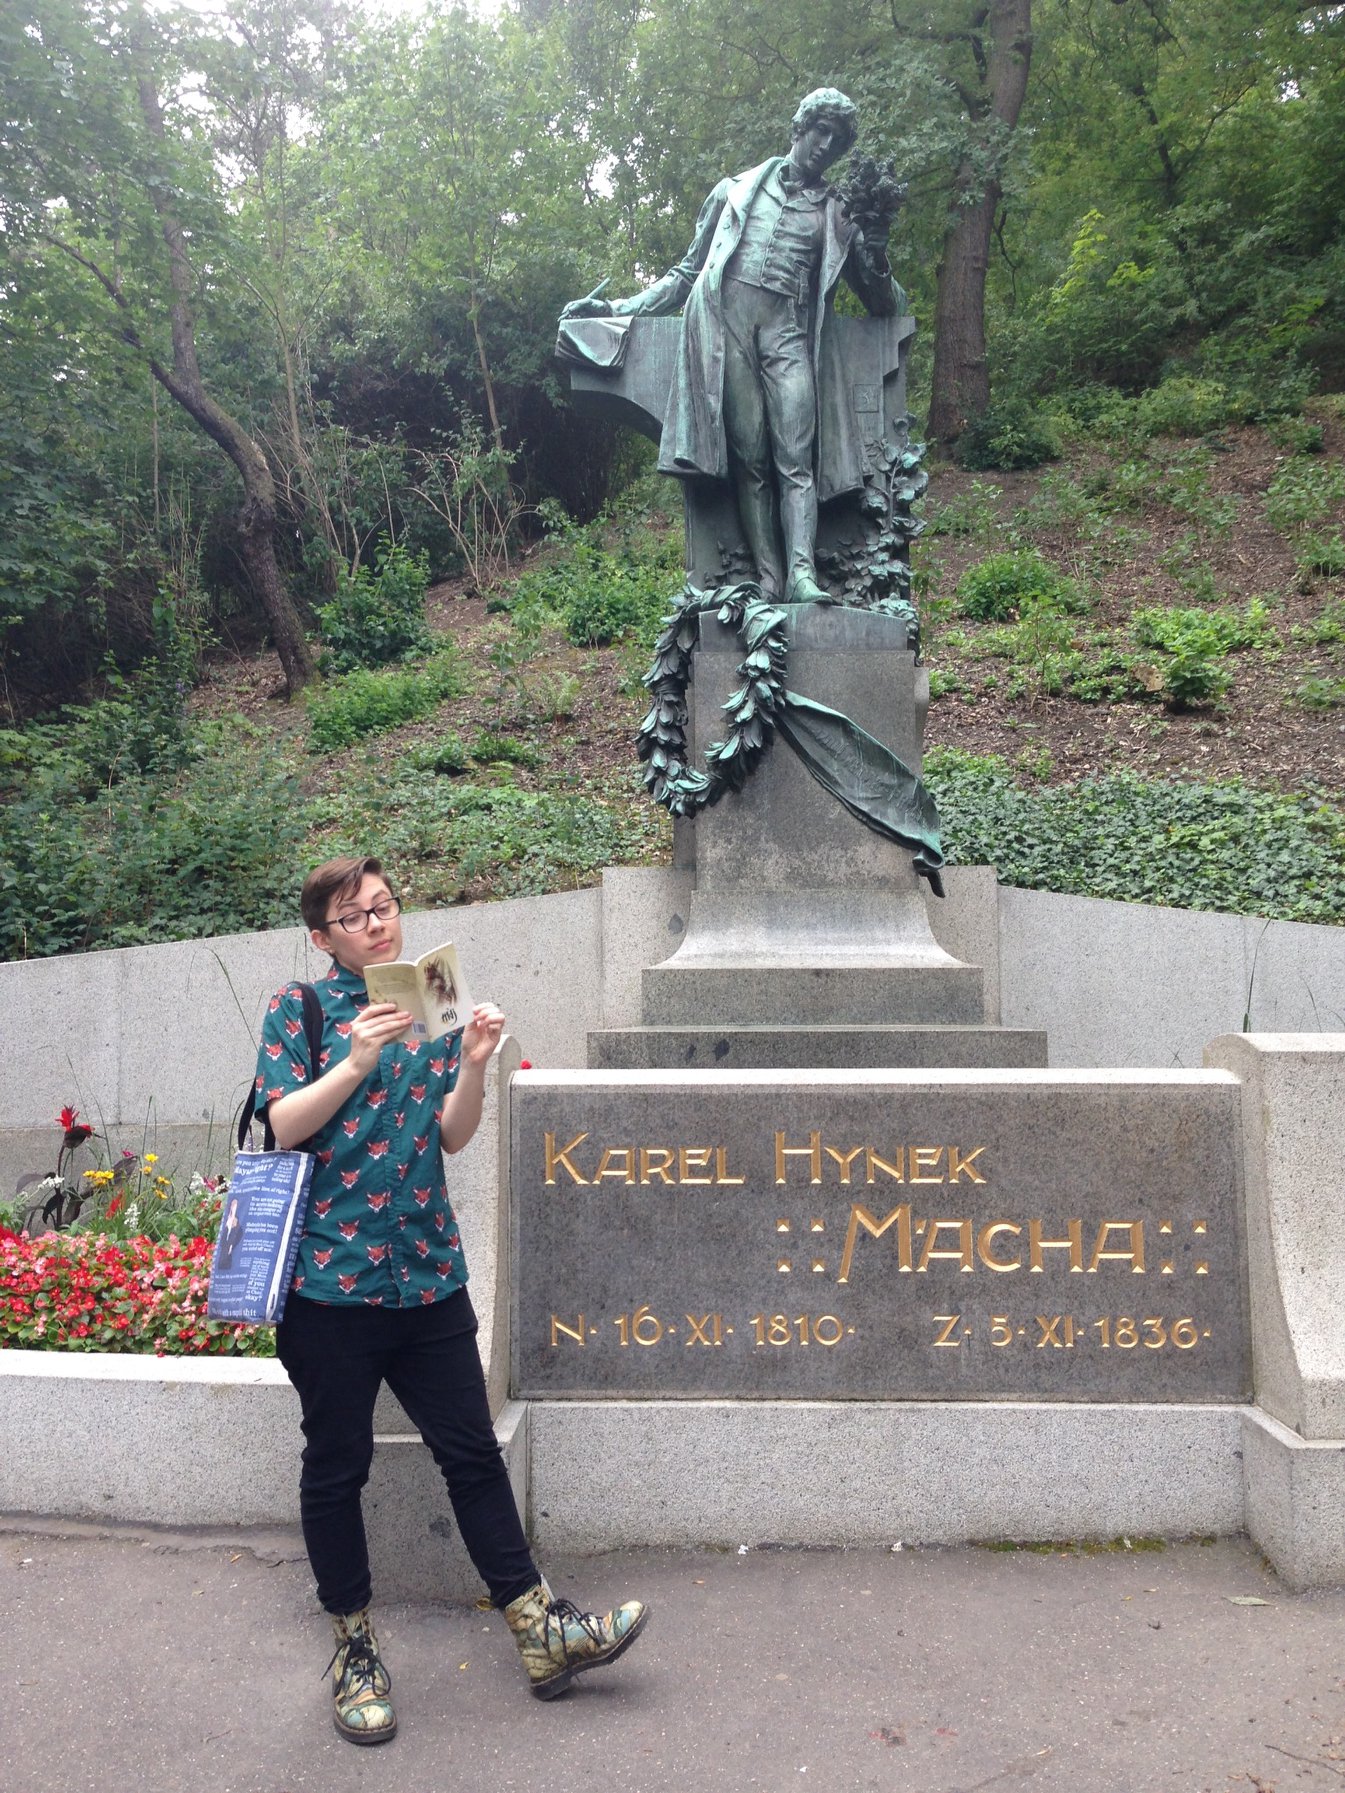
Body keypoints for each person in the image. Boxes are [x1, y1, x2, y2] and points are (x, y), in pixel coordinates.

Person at [253, 855, 648, 1745]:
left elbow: (453, 1135)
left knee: (470, 1453)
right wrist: (355, 1060)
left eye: (385, 907)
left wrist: (473, 1063)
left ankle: (540, 1629)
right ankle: (355, 1648)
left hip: (427, 1273)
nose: (379, 925)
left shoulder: (433, 1001)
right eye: (356, 917)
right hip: (329, 1286)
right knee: (337, 1464)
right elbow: (283, 1123)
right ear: (322, 937)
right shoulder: (303, 1009)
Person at [560, 87, 902, 604]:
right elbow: (684, 275)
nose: (825, 147)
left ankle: (802, 574)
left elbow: (883, 302)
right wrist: (617, 308)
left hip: (788, 334)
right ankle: (769, 577)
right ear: (800, 127)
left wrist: (876, 253)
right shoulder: (735, 191)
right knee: (751, 460)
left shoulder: (839, 214)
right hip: (729, 331)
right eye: (820, 133)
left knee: (796, 457)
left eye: (837, 142)